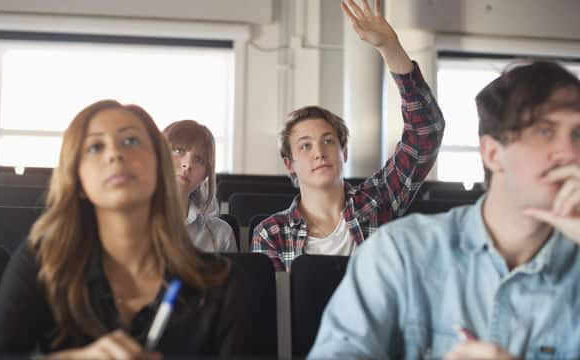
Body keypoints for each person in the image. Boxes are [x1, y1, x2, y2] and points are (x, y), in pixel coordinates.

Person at [308, 59, 580, 359]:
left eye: (578, 135)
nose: (570, 153)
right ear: (493, 153)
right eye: (545, 131)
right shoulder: (400, 252)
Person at [0, 100, 245, 358]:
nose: (115, 154)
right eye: (95, 147)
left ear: (158, 165)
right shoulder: (42, 261)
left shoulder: (219, 280)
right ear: (77, 176)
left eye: (131, 141)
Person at [251, 0, 445, 271]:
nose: (319, 152)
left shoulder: (377, 201)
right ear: (289, 163)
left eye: (328, 140)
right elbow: (272, 311)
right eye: (305, 146)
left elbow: (426, 132)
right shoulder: (270, 233)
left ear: (344, 151)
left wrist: (389, 46)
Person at [163, 120, 237, 252]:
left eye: (199, 160)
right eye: (179, 151)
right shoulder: (129, 222)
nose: (188, 164)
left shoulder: (221, 234)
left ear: (205, 176)